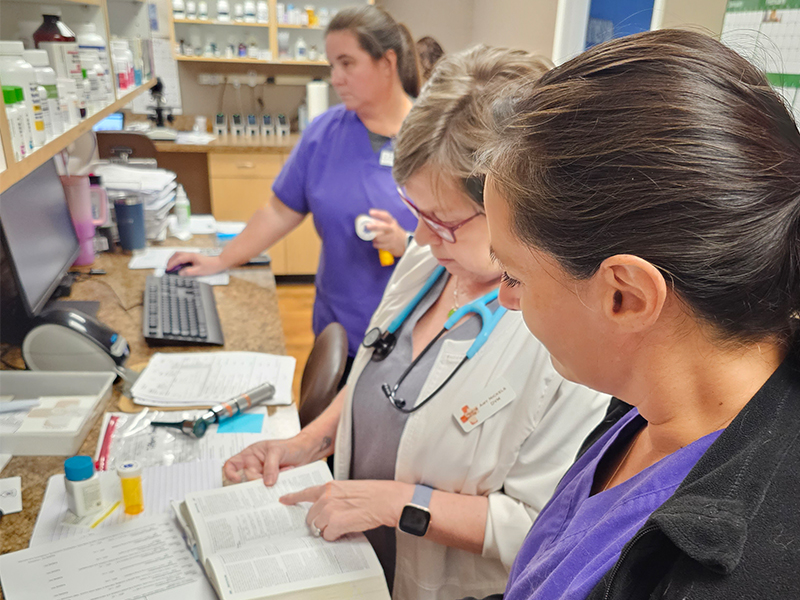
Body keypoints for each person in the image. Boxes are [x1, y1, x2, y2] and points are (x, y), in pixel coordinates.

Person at [224, 46, 610, 600]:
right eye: (416, 213)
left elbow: (537, 524)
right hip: (352, 562)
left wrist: (393, 501)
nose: (423, 239)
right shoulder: (429, 260)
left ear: (520, 208)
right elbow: (380, 378)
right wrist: (306, 443)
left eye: (445, 222)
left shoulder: (566, 335)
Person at [480, 29, 800, 600]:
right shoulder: (644, 406)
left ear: (624, 295)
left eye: (513, 276)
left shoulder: (744, 571)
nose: (505, 298)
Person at [167, 6, 420, 370]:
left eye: (347, 63)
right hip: (338, 329)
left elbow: (466, 243)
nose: (336, 78)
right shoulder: (323, 134)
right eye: (332, 65)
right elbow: (279, 211)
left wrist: (407, 244)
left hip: (410, 332)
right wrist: (220, 259)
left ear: (387, 62)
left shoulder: (432, 138)